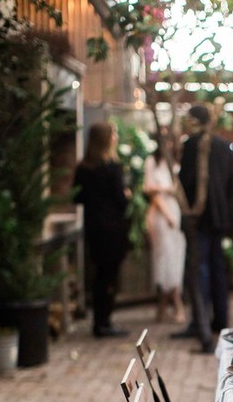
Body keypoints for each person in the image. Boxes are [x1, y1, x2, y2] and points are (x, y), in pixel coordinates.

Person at [172, 103, 233, 353]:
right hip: (218, 216)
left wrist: (189, 211)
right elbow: (232, 183)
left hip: (198, 217)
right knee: (216, 266)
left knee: (200, 269)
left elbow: (186, 181)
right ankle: (219, 320)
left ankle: (202, 326)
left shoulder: (192, 146)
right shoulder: (223, 146)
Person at [73, 122, 131, 338]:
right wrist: (126, 195)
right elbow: (120, 201)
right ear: (107, 139)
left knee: (99, 275)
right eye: (113, 134)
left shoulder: (83, 168)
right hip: (113, 230)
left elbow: (77, 196)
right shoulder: (112, 168)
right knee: (109, 276)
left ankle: (100, 321)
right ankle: (104, 322)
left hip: (94, 228)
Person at [143, 135, 186, 324]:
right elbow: (150, 190)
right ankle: (174, 304)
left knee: (176, 258)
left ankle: (166, 305)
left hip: (176, 212)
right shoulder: (152, 162)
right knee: (163, 258)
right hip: (161, 214)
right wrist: (167, 213)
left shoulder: (177, 162)